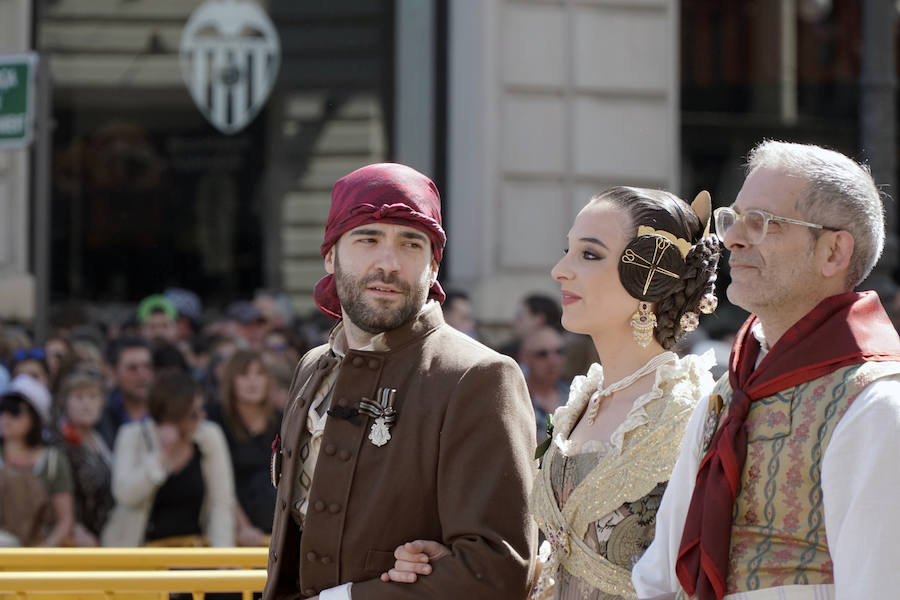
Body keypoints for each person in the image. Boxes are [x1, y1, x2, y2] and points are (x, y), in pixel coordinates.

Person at [381, 186, 722, 600]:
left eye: (590, 254)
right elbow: (564, 564)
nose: (560, 270)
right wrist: (456, 565)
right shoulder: (583, 403)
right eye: (568, 250)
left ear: (651, 274)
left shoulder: (691, 412)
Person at [631, 141, 900, 600]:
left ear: (833, 252)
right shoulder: (727, 391)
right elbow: (659, 578)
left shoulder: (875, 406)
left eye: (763, 223)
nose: (732, 238)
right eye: (733, 218)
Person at [263, 163, 537, 600]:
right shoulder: (313, 366)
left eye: (411, 243)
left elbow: (498, 569)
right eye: (368, 238)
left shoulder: (479, 376)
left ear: (432, 267)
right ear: (331, 255)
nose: (389, 263)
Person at [101, 370, 235, 547]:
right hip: (139, 555)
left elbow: (221, 504)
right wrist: (161, 457)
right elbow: (125, 495)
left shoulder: (208, 436)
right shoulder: (132, 436)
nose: (201, 418)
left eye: (202, 410)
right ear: (172, 415)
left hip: (193, 553)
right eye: (193, 414)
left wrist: (222, 560)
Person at [210, 349, 281, 547]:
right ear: (231, 381)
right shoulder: (216, 419)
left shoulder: (283, 419)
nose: (252, 382)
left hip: (275, 527)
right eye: (244, 374)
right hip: (229, 526)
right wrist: (243, 527)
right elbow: (217, 482)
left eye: (259, 374)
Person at [0, 374, 75, 547]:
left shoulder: (54, 462)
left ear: (35, 417)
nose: (5, 418)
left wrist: (40, 554)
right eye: (2, 409)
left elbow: (65, 520)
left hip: (40, 561)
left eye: (14, 411)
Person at [57, 370, 114, 546]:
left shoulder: (102, 438)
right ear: (66, 403)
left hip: (106, 533)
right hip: (77, 538)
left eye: (93, 397)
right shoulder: (59, 444)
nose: (86, 404)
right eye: (79, 397)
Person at [95, 337, 154, 449]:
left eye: (147, 366)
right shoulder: (100, 417)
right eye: (132, 368)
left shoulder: (167, 413)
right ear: (113, 372)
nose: (142, 374)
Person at [521, 326, 570, 441]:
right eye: (542, 354)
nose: (553, 361)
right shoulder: (516, 400)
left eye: (559, 352)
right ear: (525, 358)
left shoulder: (577, 395)